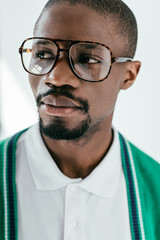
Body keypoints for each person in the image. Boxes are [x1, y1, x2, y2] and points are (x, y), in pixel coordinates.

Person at [0, 0, 160, 239]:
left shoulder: (155, 192)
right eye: (42, 54)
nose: (56, 77)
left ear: (128, 75)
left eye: (88, 59)